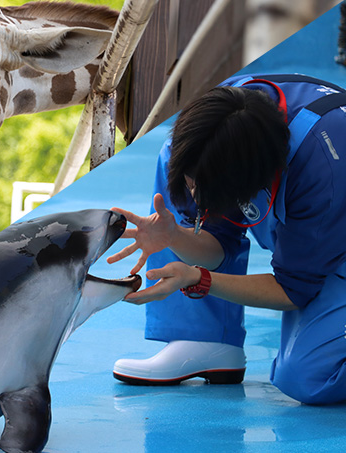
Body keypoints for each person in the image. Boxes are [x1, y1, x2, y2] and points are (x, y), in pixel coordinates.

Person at [108, 73, 346, 405]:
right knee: (172, 167)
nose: (192, 195)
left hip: (338, 222)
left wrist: (200, 278)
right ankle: (203, 339)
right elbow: (218, 242)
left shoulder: (324, 162)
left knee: (310, 377)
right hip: (297, 193)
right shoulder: (204, 137)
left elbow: (293, 289)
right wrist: (174, 234)